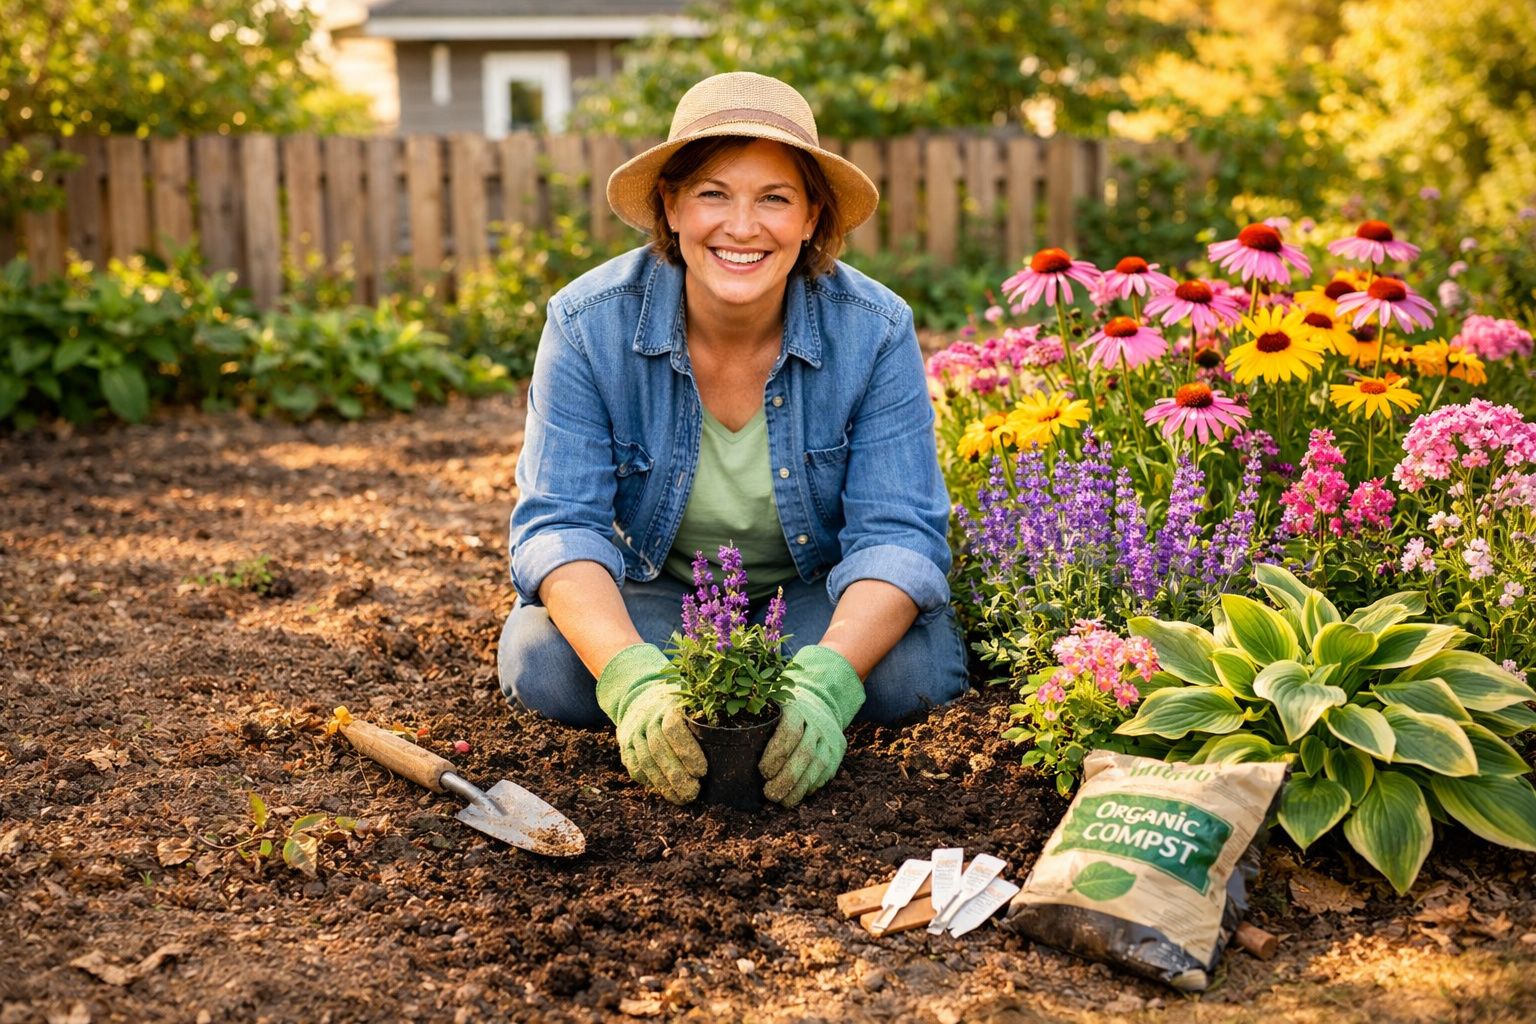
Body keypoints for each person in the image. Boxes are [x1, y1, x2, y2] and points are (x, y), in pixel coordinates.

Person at [498, 72, 968, 807]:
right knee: (547, 660)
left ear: (813, 217)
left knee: (911, 673)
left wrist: (828, 682)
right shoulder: (589, 324)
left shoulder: (874, 331)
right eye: (714, 193)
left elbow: (898, 535)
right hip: (665, 595)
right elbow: (562, 525)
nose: (742, 227)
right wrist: (631, 679)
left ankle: (777, 704)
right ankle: (696, 706)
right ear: (672, 205)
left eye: (775, 198)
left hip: (812, 597)